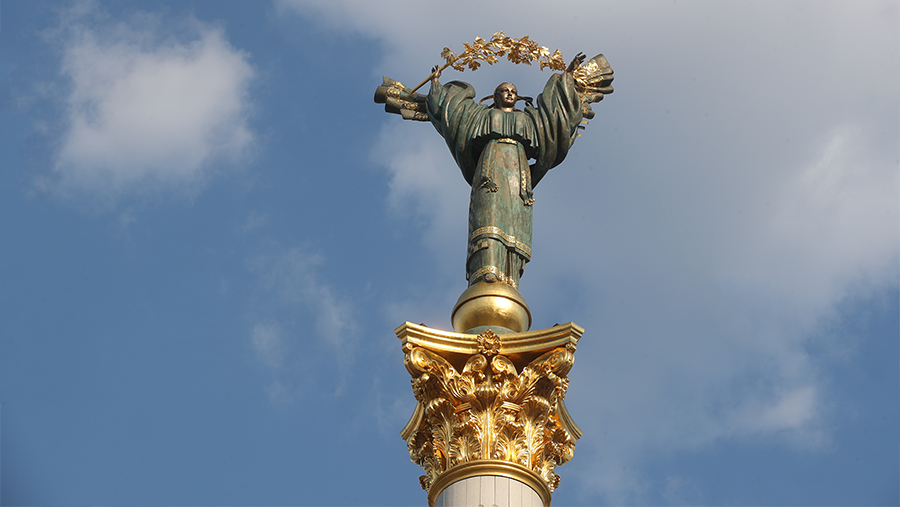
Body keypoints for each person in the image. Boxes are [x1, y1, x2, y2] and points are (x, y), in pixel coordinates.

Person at [426, 54, 586, 289]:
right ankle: (487, 269)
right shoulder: (481, 115)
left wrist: (567, 78)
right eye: (504, 90)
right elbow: (451, 113)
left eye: (513, 91)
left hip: (518, 174)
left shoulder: (530, 119)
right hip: (490, 169)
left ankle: (510, 278)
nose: (509, 93)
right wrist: (436, 85)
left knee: (514, 222)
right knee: (489, 216)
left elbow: (554, 116)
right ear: (496, 96)